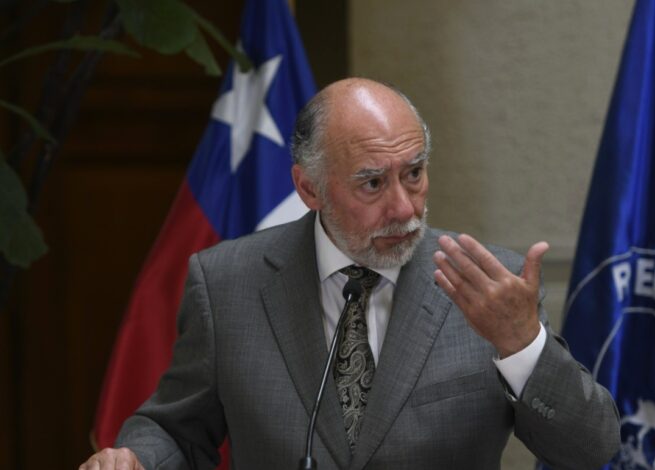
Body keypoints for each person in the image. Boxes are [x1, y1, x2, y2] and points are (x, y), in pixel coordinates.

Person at [80, 78, 620, 470]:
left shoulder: (489, 286)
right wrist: (135, 459)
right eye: (372, 184)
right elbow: (178, 428)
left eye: (414, 174)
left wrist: (522, 346)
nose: (404, 208)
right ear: (309, 188)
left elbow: (589, 449)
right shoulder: (228, 284)